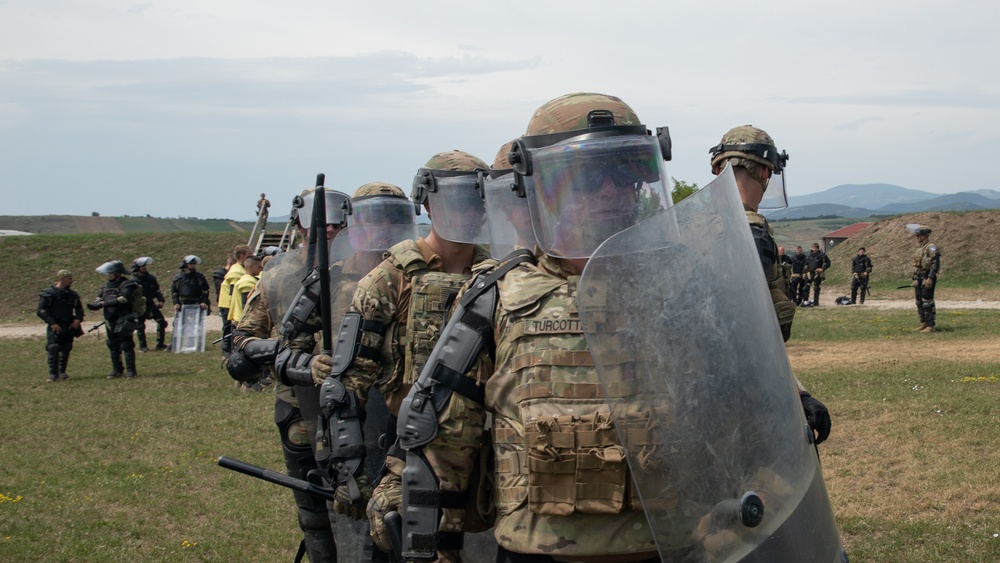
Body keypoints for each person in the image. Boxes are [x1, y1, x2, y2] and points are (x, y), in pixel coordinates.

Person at [379, 94, 835, 562]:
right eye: (590, 177)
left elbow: (741, 376)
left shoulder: (681, 280)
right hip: (540, 553)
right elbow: (445, 442)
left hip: (675, 545)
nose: (612, 191)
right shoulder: (496, 297)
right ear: (544, 186)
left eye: (626, 172)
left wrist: (792, 397)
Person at [309, 151, 495, 538]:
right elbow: (348, 382)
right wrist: (348, 470)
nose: (471, 212)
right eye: (459, 200)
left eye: (479, 199)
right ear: (428, 202)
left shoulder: (499, 274)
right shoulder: (389, 278)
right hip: (409, 446)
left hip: (491, 447)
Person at [226, 184, 354, 563]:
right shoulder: (276, 273)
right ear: (299, 221)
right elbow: (244, 339)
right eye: (319, 221)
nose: (328, 229)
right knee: (313, 509)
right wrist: (288, 358)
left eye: (336, 222)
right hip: (298, 406)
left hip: (355, 404)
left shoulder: (366, 269)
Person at [708, 125, 795, 341]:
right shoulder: (750, 233)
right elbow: (742, 325)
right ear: (765, 172)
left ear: (719, 170)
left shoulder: (696, 227)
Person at [87, 260, 142, 379]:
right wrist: (95, 304)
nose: (109, 275)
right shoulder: (106, 286)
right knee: (112, 344)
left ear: (118, 273)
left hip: (124, 318)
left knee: (127, 344)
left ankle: (131, 371)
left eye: (110, 273)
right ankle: (117, 369)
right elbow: (99, 297)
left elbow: (123, 299)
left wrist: (103, 304)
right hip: (110, 319)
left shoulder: (127, 284)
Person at [36, 269, 84, 382]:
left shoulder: (72, 295)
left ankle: (62, 372)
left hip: (68, 325)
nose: (71, 281)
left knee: (66, 347)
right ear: (62, 278)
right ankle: (53, 374)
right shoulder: (49, 294)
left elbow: (79, 309)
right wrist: (51, 322)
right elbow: (41, 310)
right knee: (53, 347)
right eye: (69, 278)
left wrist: (78, 319)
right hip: (55, 325)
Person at [131, 257, 169, 351]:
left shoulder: (151, 278)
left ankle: (160, 344)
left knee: (161, 322)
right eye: (141, 266)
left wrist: (161, 300)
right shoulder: (133, 281)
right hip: (139, 305)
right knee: (140, 325)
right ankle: (143, 346)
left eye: (144, 266)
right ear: (137, 268)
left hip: (150, 304)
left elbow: (156, 290)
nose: (144, 267)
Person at [910, 225, 941, 332]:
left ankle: (930, 325)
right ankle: (923, 323)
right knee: (919, 302)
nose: (917, 237)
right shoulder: (919, 247)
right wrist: (914, 278)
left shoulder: (931, 247)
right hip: (919, 276)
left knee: (927, 301)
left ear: (925, 235)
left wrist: (930, 278)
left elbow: (935, 263)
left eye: (918, 235)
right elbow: (916, 265)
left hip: (927, 276)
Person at [219, 245, 252, 334]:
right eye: (249, 254)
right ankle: (227, 347)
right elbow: (233, 292)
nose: (251, 256)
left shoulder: (239, 268)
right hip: (228, 304)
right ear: (242, 255)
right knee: (229, 330)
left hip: (230, 303)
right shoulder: (237, 272)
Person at [228, 254, 262, 325]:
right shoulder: (247, 282)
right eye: (259, 266)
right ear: (250, 267)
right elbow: (247, 304)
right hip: (244, 320)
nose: (261, 269)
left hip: (240, 318)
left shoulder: (246, 279)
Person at [803, 242, 831, 306]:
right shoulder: (809, 255)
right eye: (813, 248)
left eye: (816, 248)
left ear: (818, 248)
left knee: (816, 288)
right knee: (806, 287)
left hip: (817, 273)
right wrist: (804, 273)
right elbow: (805, 265)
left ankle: (816, 302)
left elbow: (828, 263)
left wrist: (822, 269)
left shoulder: (822, 255)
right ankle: (805, 301)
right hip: (809, 273)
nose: (814, 249)